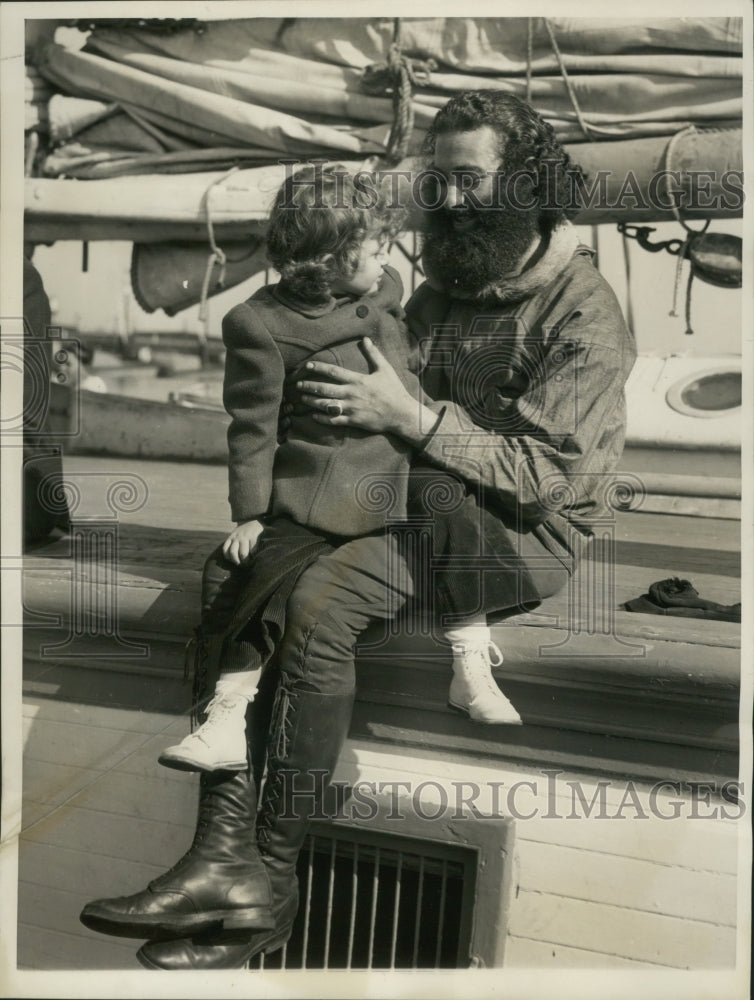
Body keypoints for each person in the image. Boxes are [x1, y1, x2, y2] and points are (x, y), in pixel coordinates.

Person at [80, 90, 636, 971]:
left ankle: (268, 878)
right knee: (239, 570)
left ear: (527, 182)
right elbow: (364, 381)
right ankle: (217, 859)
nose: (448, 203)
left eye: (470, 180)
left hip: (514, 534)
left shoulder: (585, 315)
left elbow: (547, 481)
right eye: (437, 180)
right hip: (406, 495)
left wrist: (410, 418)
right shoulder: (443, 278)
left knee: (322, 604)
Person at [157, 164, 528, 775]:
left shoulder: (383, 287)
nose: (387, 255)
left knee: (459, 516)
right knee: (261, 577)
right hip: (322, 485)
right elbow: (252, 424)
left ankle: (470, 668)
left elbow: (404, 358)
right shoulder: (260, 324)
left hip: (408, 461)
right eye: (374, 245)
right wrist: (251, 514)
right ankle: (225, 719)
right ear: (325, 258)